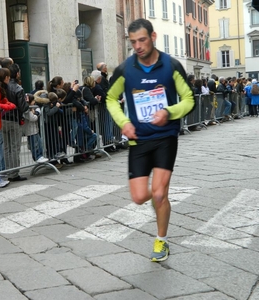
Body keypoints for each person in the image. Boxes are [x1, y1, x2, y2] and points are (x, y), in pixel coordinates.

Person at [106, 18, 195, 262]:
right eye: (133, 41)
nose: (138, 46)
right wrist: (123, 122)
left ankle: (161, 241)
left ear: (153, 37)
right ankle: (161, 202)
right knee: (138, 197)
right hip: (139, 140)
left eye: (142, 40)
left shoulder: (171, 65)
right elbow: (110, 99)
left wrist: (169, 112)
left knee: (158, 194)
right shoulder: (125, 69)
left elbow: (189, 99)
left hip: (165, 137)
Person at [2, 63, 29, 181]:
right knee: (14, 147)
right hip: (14, 119)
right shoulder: (18, 88)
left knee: (7, 147)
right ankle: (14, 173)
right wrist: (26, 102)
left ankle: (8, 172)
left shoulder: (3, 87)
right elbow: (23, 107)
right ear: (17, 74)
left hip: (3, 119)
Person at [22, 93, 49, 163]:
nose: (34, 102)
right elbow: (32, 118)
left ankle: (40, 156)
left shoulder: (33, 107)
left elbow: (38, 110)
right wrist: (36, 114)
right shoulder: (26, 110)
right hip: (30, 130)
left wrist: (36, 113)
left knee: (39, 143)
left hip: (35, 129)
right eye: (33, 101)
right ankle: (37, 157)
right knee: (35, 144)